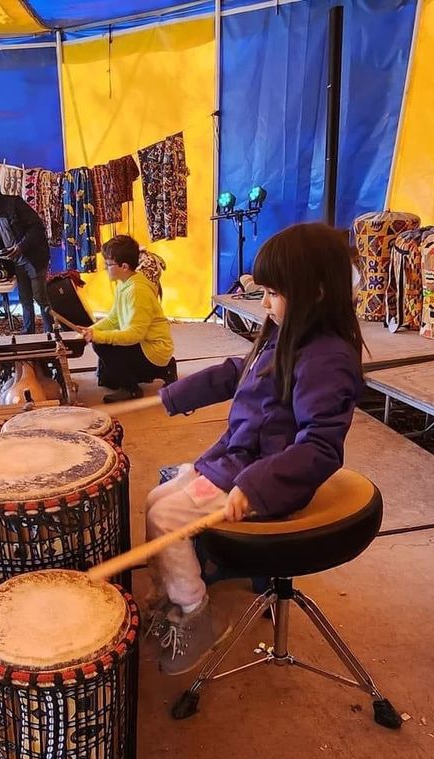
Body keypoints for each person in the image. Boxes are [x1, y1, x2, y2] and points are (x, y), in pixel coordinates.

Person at [143, 223, 365, 675]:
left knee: (166, 518)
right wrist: (173, 396)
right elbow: (237, 371)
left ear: (317, 292)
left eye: (273, 293)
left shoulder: (327, 359)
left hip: (267, 478)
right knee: (155, 500)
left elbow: (322, 446)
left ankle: (195, 613)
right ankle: (172, 594)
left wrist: (257, 485)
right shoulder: (284, 334)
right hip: (238, 458)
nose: (263, 303)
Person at [82, 235, 176, 402]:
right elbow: (113, 319)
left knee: (101, 344)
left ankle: (132, 388)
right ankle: (163, 369)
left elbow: (135, 335)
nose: (105, 268)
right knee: (108, 380)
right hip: (142, 343)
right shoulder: (123, 283)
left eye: (108, 264)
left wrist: (98, 337)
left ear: (124, 266)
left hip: (152, 349)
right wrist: (90, 330)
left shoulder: (137, 291)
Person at [0, 180, 50, 334]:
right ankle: (28, 332)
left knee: (40, 297)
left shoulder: (14, 204)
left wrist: (20, 247)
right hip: (17, 262)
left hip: (34, 258)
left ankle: (50, 333)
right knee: (25, 299)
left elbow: (37, 228)